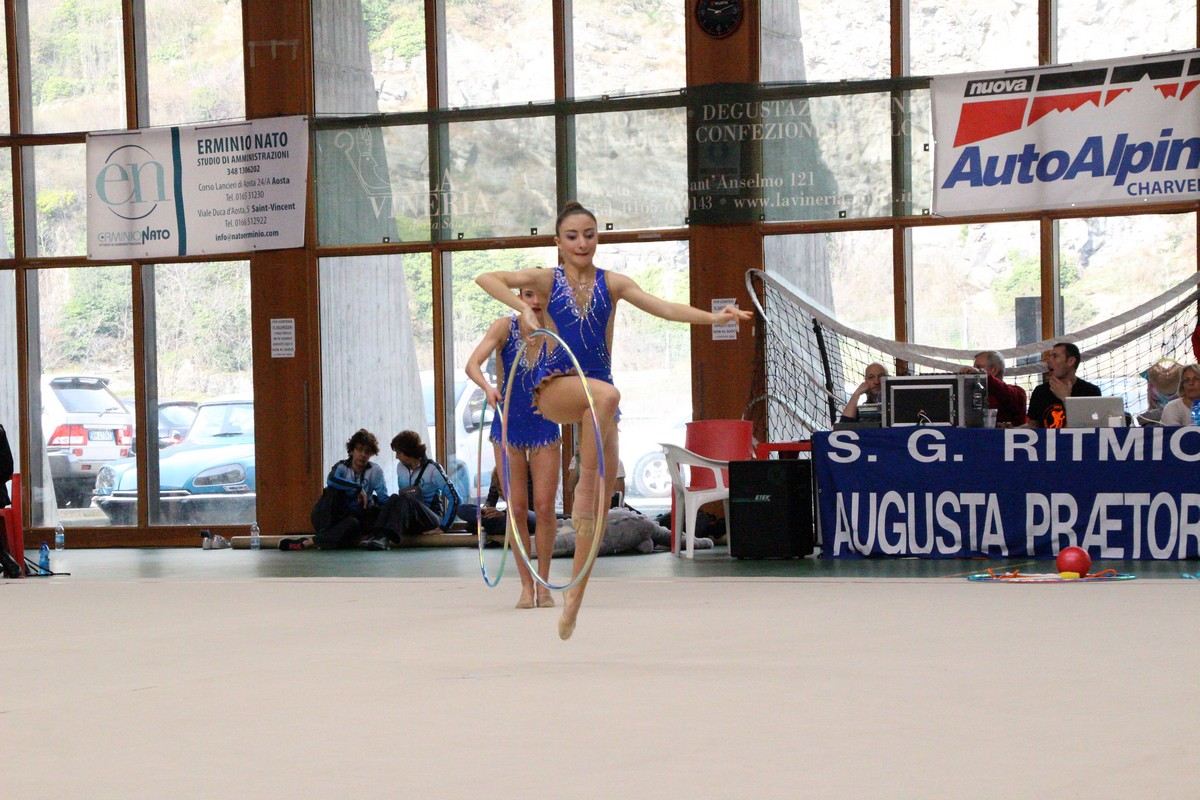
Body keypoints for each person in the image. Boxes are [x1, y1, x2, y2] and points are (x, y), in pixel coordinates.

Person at [475, 200, 752, 639]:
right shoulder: (548, 280)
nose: (582, 242)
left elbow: (664, 308)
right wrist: (523, 307)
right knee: (605, 396)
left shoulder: (614, 284)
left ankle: (573, 603)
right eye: (572, 236)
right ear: (558, 243)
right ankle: (585, 475)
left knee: (598, 503)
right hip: (558, 387)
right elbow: (486, 276)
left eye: (589, 234)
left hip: (598, 402)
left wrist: (715, 317)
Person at [465, 289, 562, 609]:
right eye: (529, 294)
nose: (536, 301)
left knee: (545, 507)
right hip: (507, 428)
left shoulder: (555, 329)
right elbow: (472, 364)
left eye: (542, 295)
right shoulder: (504, 327)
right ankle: (525, 584)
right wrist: (488, 388)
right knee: (517, 508)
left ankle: (544, 582)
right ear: (519, 297)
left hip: (545, 426)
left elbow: (575, 373)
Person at [309, 429, 390, 550]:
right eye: (359, 450)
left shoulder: (375, 470)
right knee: (331, 491)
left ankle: (314, 541)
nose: (363, 455)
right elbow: (331, 480)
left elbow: (383, 498)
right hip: (335, 516)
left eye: (367, 452)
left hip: (355, 519)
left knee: (373, 508)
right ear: (352, 451)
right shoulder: (342, 467)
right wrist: (357, 488)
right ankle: (324, 534)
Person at [380, 430, 461, 543]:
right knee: (394, 497)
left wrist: (444, 527)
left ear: (407, 452)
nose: (396, 457)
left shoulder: (433, 469)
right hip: (412, 519)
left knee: (407, 499)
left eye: (398, 453)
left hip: (430, 519)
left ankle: (386, 539)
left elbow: (455, 498)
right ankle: (378, 534)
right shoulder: (400, 468)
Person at [1025, 342, 1102, 428]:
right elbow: (1033, 427)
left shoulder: (1090, 391)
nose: (1049, 361)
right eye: (1049, 356)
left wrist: (1066, 399)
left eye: (1055, 356)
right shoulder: (1040, 391)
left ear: (1070, 361)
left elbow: (1088, 429)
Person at [959, 350, 1027, 427]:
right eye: (975, 368)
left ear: (994, 370)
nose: (973, 371)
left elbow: (1006, 394)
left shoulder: (1018, 392)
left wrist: (982, 375)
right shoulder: (972, 393)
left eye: (979, 367)